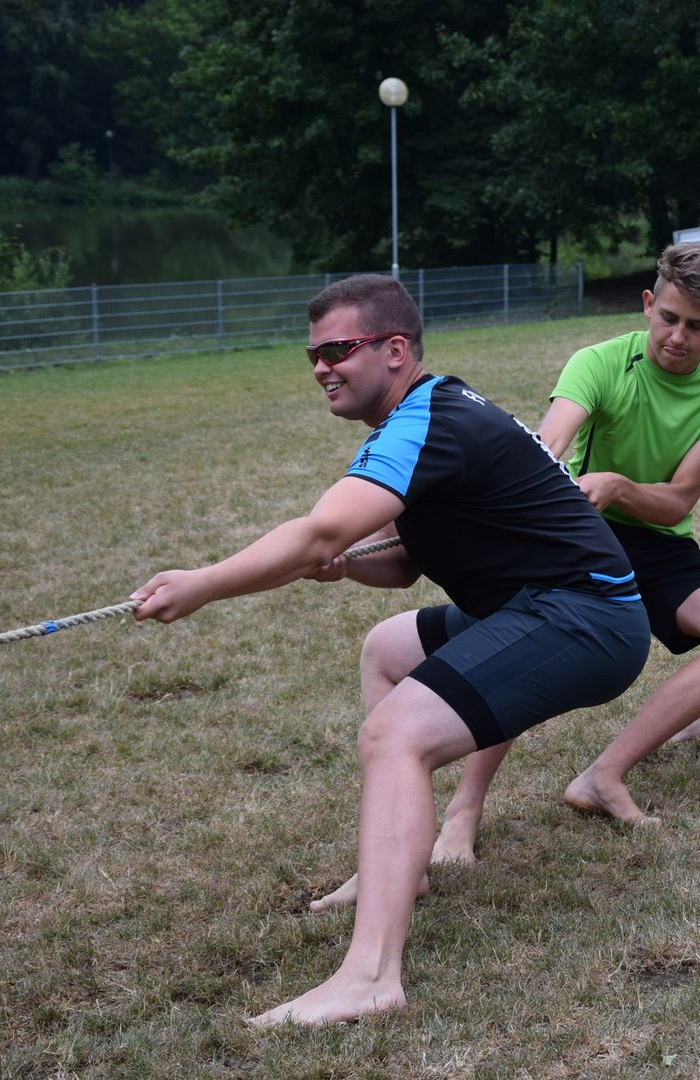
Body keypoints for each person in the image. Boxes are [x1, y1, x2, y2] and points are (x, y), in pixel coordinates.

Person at [130, 273, 650, 1027]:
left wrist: (204, 584)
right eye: (313, 354)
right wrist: (346, 567)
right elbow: (402, 562)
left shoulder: (428, 421)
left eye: (338, 349)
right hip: (537, 606)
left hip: (588, 619)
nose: (321, 367)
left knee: (394, 735)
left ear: (395, 349)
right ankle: (401, 871)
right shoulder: (428, 415)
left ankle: (371, 978)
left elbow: (318, 532)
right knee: (387, 649)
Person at [306, 242, 700, 901]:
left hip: (656, 533)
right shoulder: (599, 361)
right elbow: (548, 448)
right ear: (648, 304)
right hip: (575, 536)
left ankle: (604, 774)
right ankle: (463, 810)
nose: (677, 337)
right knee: (515, 635)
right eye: (668, 318)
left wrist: (617, 484)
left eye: (696, 327)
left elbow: (676, 502)